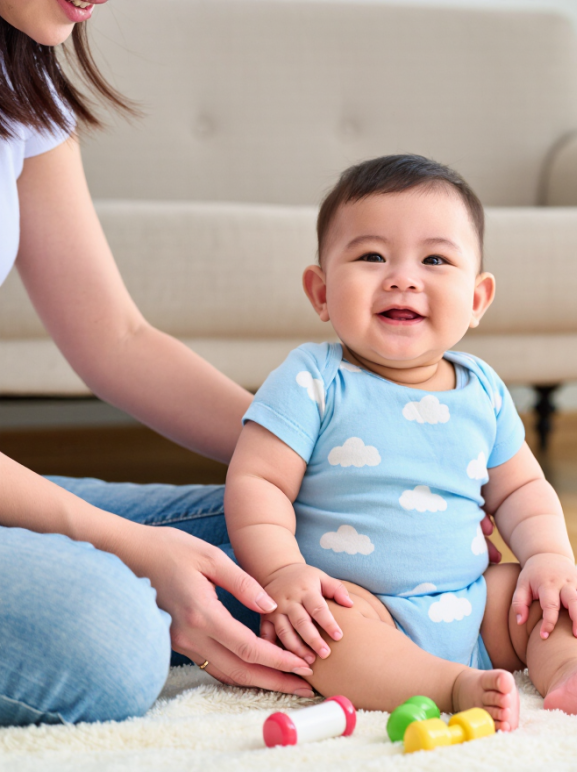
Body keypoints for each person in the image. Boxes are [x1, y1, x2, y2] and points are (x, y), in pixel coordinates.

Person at [0, 1, 501, 727]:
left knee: (311, 539)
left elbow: (116, 337)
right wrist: (130, 547)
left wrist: (349, 465)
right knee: (107, 641)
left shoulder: (26, 91)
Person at [224, 155, 577, 731]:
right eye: (370, 257)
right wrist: (284, 572)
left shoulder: (483, 389)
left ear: (478, 299)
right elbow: (257, 481)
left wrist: (550, 559)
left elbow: (522, 492)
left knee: (551, 599)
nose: (403, 278)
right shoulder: (313, 377)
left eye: (435, 259)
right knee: (326, 634)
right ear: (320, 291)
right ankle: (450, 686)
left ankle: (576, 672)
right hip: (364, 606)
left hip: (475, 602)